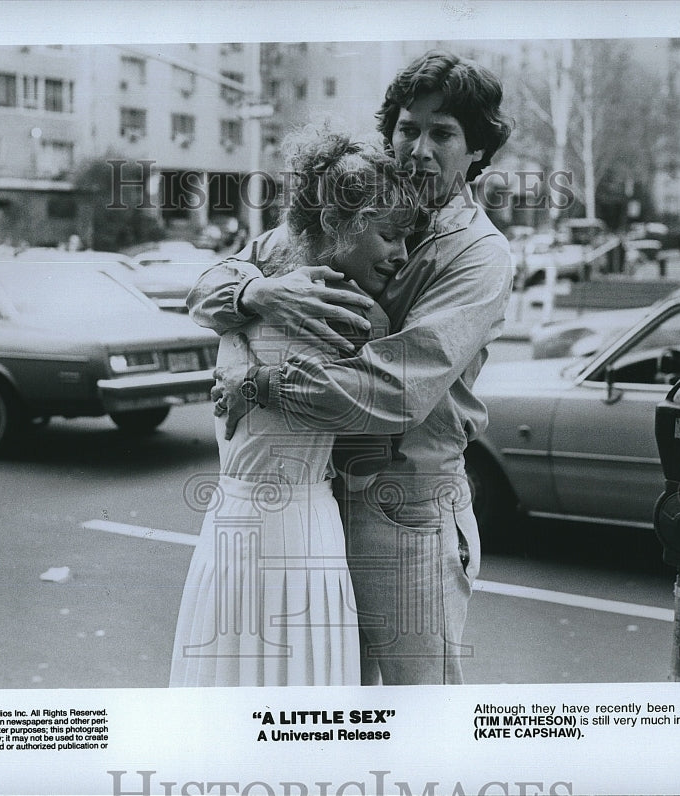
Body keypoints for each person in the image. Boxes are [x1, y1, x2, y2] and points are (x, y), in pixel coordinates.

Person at [187, 51, 515, 685]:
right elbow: (206, 287)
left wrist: (260, 383)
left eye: (443, 134)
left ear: (476, 151)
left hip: (405, 511)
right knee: (334, 703)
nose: (418, 149)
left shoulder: (478, 256)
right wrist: (259, 294)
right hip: (319, 504)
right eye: (407, 128)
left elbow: (395, 390)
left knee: (418, 712)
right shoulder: (345, 214)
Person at [169, 129, 425, 687]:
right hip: (299, 526)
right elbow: (371, 445)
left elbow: (207, 296)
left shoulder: (255, 279)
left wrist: (254, 379)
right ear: (339, 223)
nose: (402, 255)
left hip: (231, 519)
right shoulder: (357, 317)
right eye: (389, 235)